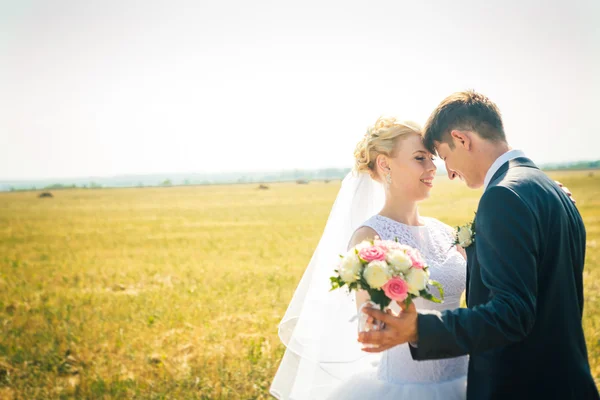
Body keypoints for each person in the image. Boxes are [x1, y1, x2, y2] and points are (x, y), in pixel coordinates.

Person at [358, 90, 599, 399]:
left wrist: (421, 329)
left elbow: (512, 312)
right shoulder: (551, 190)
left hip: (524, 386)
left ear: (462, 139)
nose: (449, 171)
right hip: (565, 379)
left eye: (443, 157)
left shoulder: (503, 196)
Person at [271, 116, 469, 399]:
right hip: (408, 386)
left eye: (431, 158)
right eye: (419, 158)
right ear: (385, 164)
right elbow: (370, 328)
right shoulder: (370, 238)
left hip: (465, 378)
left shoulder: (446, 232)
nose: (431, 167)